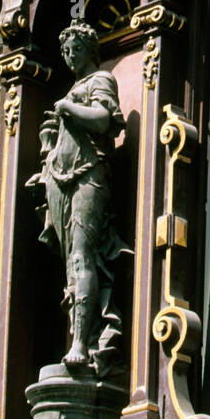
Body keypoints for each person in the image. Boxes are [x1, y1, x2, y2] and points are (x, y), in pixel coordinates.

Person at [29, 19, 129, 376]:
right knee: (71, 264)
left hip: (89, 173)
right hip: (60, 176)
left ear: (89, 51)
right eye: (66, 52)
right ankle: (77, 336)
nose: (70, 57)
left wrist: (68, 109)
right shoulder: (73, 87)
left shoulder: (100, 80)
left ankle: (81, 345)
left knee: (83, 255)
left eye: (76, 50)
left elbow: (103, 120)